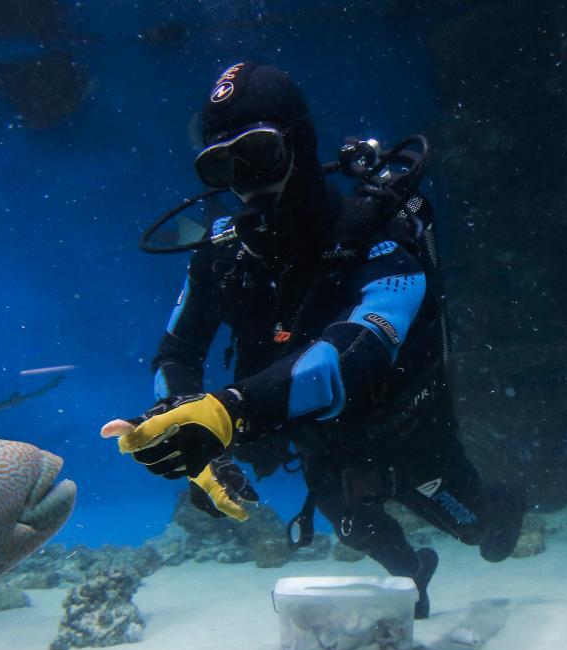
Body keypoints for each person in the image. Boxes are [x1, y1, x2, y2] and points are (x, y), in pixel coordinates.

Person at [109, 62, 526, 619]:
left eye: (258, 152)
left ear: (299, 143)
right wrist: (194, 433)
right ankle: (413, 576)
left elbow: (350, 356)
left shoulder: (379, 234)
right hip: (317, 439)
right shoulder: (222, 254)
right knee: (356, 529)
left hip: (403, 428)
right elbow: (176, 355)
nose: (245, 180)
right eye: (222, 165)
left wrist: (228, 411)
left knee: (481, 531)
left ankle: (502, 506)